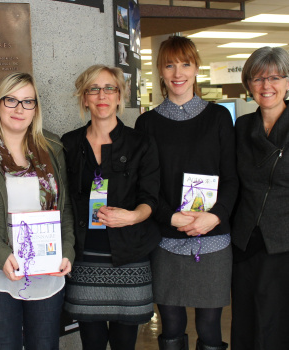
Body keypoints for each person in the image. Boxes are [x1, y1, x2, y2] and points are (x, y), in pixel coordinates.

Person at [0, 72, 75, 350]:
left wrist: (67, 250)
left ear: (36, 109)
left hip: (47, 273)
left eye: (28, 102)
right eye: (12, 100)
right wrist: (0, 253)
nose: (19, 109)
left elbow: (64, 210)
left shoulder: (53, 149)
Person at [135, 36, 238, 350]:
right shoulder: (147, 123)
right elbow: (146, 186)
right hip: (166, 239)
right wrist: (173, 216)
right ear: (161, 72)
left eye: (185, 64)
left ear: (196, 68)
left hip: (213, 238)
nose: (177, 72)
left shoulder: (219, 118)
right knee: (172, 326)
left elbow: (232, 180)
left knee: (209, 328)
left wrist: (214, 217)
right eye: (169, 65)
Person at [61, 65, 160, 350]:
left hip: (129, 254)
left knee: (123, 343)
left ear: (120, 96)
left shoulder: (142, 143)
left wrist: (132, 216)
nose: (101, 95)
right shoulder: (68, 144)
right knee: (91, 342)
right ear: (84, 98)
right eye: (93, 89)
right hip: (84, 257)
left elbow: (151, 197)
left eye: (109, 89)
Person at [231, 47, 289, 349]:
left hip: (283, 244)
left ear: (288, 82)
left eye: (275, 77)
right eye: (258, 79)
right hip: (244, 241)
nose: (267, 86)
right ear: (248, 84)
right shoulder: (241, 127)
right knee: (245, 321)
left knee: (276, 324)